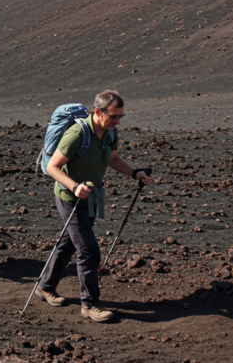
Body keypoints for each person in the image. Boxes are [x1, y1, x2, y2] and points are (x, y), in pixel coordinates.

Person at [38, 90, 153, 322]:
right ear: (98, 112)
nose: (118, 121)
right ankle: (90, 304)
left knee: (70, 244)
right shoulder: (77, 133)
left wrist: (134, 173)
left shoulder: (110, 132)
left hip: (90, 197)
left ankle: (45, 286)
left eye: (121, 116)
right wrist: (74, 186)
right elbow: (52, 167)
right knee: (89, 250)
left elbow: (112, 159)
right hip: (70, 198)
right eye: (114, 116)